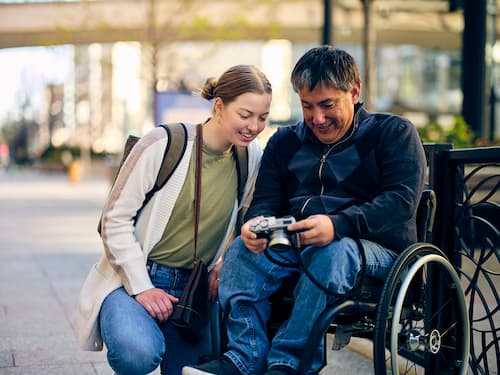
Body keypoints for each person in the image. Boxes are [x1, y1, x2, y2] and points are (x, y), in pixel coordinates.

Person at [182, 45, 426, 375]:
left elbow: (400, 203)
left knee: (331, 251)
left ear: (354, 92)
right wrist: (254, 225)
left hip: (379, 253)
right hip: (300, 244)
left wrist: (337, 225)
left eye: (327, 105)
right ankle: (243, 357)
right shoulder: (285, 142)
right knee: (241, 253)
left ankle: (287, 364)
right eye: (307, 106)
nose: (317, 118)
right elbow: (266, 201)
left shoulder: (393, 133)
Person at [74, 64, 272, 375]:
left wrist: (225, 262)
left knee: (189, 371)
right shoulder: (164, 142)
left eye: (262, 117)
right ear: (219, 106)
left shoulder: (251, 157)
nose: (254, 126)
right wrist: (142, 287)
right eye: (245, 115)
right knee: (137, 352)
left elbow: (246, 217)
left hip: (194, 289)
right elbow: (114, 219)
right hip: (134, 278)